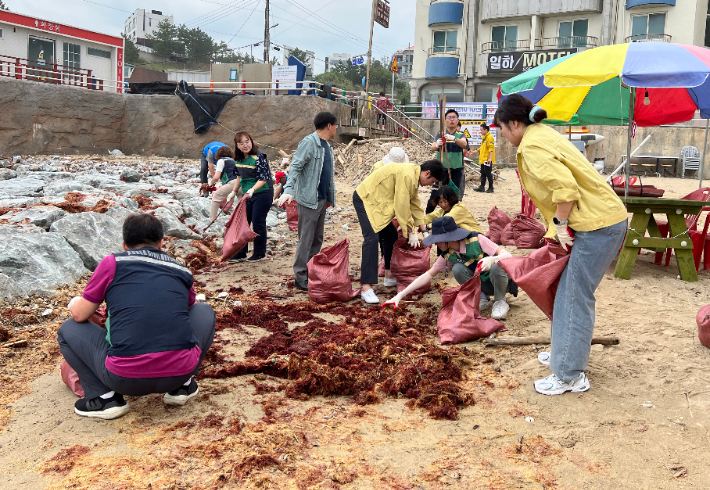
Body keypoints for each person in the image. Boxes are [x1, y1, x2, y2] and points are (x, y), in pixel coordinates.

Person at [494, 93, 627, 395]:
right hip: (598, 220)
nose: (502, 134)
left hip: (597, 224)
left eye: (502, 127)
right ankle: (563, 355)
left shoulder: (531, 145)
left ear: (514, 123)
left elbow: (565, 189)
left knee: (573, 297)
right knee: (566, 292)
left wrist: (561, 225)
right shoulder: (541, 134)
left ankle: (569, 374)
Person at [57, 213, 216, 420]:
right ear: (161, 244)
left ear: (124, 245)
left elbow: (80, 315)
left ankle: (104, 398)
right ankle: (182, 387)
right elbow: (188, 306)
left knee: (68, 328)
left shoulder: (112, 263)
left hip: (123, 378)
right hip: (179, 372)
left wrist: (75, 302)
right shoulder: (180, 269)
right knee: (204, 310)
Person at [383, 216, 514, 319]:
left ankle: (500, 301)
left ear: (449, 237)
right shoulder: (449, 254)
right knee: (457, 269)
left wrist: (492, 259)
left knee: (497, 267)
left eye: (439, 241)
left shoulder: (476, 239)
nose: (437, 245)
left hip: (501, 282)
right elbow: (427, 275)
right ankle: (482, 298)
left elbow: (508, 256)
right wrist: (400, 295)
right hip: (483, 285)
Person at [353, 160, 445, 304]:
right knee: (371, 239)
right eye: (432, 181)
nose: (429, 185)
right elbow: (401, 206)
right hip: (366, 200)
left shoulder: (413, 179)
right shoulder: (407, 175)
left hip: (379, 205)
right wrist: (412, 232)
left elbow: (414, 205)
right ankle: (366, 288)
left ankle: (389, 273)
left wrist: (424, 230)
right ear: (427, 173)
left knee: (391, 235)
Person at [276, 111, 338, 290]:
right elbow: (295, 167)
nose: (336, 128)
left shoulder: (326, 146)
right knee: (306, 238)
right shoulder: (309, 143)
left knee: (317, 238)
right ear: (329, 125)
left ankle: (311, 270)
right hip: (308, 199)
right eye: (335, 125)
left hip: (321, 199)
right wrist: (288, 190)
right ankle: (300, 276)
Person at [230, 131, 275, 262]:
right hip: (246, 195)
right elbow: (239, 176)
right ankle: (241, 253)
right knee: (245, 221)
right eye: (241, 143)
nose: (245, 145)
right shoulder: (237, 159)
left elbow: (264, 179)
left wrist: (252, 190)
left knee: (258, 222)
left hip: (262, 193)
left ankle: (260, 253)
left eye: (247, 141)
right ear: (237, 145)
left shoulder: (259, 157)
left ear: (251, 141)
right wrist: (233, 192)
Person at [430, 109, 467, 200]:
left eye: (454, 117)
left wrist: (454, 139)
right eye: (449, 117)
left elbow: (464, 144)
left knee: (454, 196)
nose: (451, 120)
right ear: (445, 120)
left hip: (456, 170)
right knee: (436, 196)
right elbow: (432, 148)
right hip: (442, 169)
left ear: (457, 120)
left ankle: (452, 213)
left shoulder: (460, 134)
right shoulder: (440, 134)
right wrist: (437, 144)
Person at [207, 146, 240, 221]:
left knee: (216, 197)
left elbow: (216, 176)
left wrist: (211, 183)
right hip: (241, 183)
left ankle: (212, 218)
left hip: (232, 183)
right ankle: (247, 222)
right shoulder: (234, 160)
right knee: (242, 203)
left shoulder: (221, 161)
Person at [472, 123, 496, 193]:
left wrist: (490, 158)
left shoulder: (489, 137)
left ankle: (491, 188)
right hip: (483, 159)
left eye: (481, 130)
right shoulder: (484, 138)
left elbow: (490, 148)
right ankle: (482, 187)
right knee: (483, 173)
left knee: (488, 173)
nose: (480, 131)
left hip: (487, 159)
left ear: (486, 130)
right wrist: (474, 151)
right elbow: (481, 148)